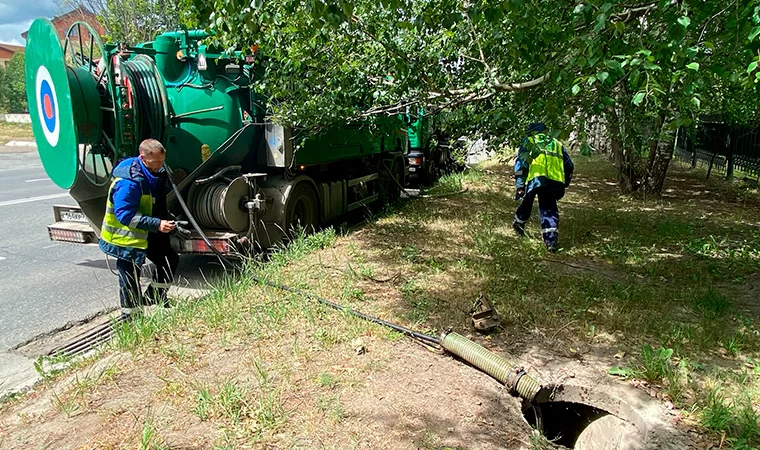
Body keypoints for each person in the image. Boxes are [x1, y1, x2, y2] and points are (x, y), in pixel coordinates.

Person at [99, 139, 178, 320]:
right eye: (156, 162)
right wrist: (157, 224)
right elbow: (125, 216)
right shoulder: (129, 183)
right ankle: (131, 319)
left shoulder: (152, 173)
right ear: (143, 158)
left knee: (169, 259)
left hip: (146, 234)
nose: (160, 166)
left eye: (162, 161)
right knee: (130, 279)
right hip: (126, 240)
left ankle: (154, 297)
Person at [512, 123, 574, 253]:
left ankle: (519, 222)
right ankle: (551, 242)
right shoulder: (557, 143)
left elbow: (520, 166)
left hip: (536, 179)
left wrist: (520, 185)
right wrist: (565, 182)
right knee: (549, 208)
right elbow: (569, 166)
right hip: (555, 181)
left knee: (527, 200)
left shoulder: (529, 141)